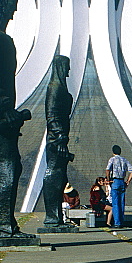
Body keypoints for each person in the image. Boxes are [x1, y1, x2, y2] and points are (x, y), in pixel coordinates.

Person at [0, 0, 35, 241]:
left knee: (11, 165)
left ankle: (4, 223)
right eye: (12, 6)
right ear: (2, 6)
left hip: (5, 114)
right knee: (3, 165)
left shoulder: (3, 39)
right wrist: (2, 112)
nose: (14, 12)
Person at [41, 55, 74, 227]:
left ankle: (57, 217)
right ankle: (51, 217)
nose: (69, 70)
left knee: (61, 178)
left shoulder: (61, 87)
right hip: (56, 141)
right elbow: (52, 115)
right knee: (54, 174)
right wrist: (60, 137)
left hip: (61, 139)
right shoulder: (54, 88)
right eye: (67, 67)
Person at [105, 145, 132, 227]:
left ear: (113, 151)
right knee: (121, 203)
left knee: (115, 203)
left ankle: (117, 222)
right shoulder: (124, 160)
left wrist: (108, 179)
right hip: (122, 181)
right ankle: (121, 221)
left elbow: (107, 170)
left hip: (115, 181)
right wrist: (128, 181)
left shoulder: (112, 159)